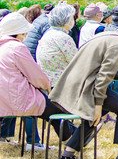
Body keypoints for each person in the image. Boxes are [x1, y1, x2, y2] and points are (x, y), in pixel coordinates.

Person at [50, 22, 118, 159]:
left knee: (93, 117)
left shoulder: (109, 36)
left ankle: (67, 156)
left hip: (76, 82)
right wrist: (98, 104)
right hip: (87, 85)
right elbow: (104, 77)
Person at [0, 13, 76, 150]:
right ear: (20, 33)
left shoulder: (3, 47)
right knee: (56, 112)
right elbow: (35, 75)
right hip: (18, 98)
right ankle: (73, 143)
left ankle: (73, 137)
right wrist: (47, 85)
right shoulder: (17, 48)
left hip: (4, 99)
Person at [36, 3, 78, 86]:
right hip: (61, 84)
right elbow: (76, 61)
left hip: (48, 81)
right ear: (67, 19)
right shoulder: (63, 38)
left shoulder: (49, 33)